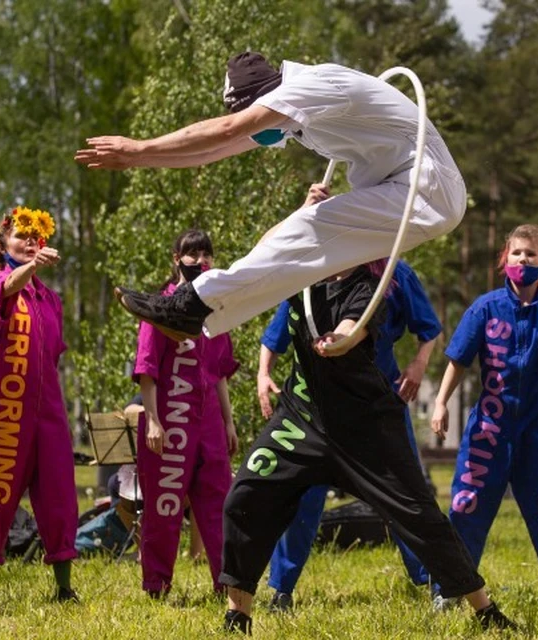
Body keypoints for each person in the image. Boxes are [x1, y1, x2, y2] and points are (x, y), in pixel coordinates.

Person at [75, 52, 466, 342]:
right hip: (400, 187)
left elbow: (228, 129)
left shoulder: (313, 86)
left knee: (312, 226)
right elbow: (211, 151)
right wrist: (139, 161)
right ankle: (199, 306)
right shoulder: (296, 116)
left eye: (259, 116)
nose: (261, 135)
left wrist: (138, 148)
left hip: (426, 187)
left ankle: (192, 306)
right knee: (301, 234)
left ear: (270, 96)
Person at [219, 261, 514, 634]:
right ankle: (239, 614)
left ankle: (482, 608)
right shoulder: (300, 276)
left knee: (417, 512)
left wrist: (339, 341)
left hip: (367, 424)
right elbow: (268, 279)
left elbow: (353, 328)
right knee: (245, 497)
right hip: (302, 417)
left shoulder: (376, 283)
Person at [258, 186, 442, 608]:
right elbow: (276, 326)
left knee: (407, 498)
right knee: (301, 496)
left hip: (377, 405)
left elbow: (429, 330)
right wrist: (263, 372)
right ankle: (280, 591)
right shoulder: (309, 273)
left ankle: (434, 581)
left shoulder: (394, 274)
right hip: (317, 410)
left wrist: (417, 367)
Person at [429, 224, 538, 609]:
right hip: (489, 429)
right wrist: (440, 402)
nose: (523, 260)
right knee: (465, 507)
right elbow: (457, 360)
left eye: (531, 255)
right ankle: (449, 591)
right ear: (504, 258)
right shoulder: (485, 308)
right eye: (517, 253)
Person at [0, 206, 78, 603]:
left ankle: (64, 588)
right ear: (2, 243)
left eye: (36, 235)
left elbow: (51, 355)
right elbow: (9, 286)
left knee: (59, 495)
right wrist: (31, 268)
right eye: (22, 234)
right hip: (5, 412)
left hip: (48, 412)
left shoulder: (51, 299)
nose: (30, 240)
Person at [134, 229, 240, 597]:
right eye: (191, 254)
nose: (200, 261)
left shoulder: (213, 309)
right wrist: (153, 420)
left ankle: (226, 584)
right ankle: (156, 585)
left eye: (206, 254)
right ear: (176, 260)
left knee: (218, 504)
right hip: (169, 421)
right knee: (164, 509)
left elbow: (220, 372)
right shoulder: (159, 308)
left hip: (208, 422)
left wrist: (228, 421)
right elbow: (147, 369)